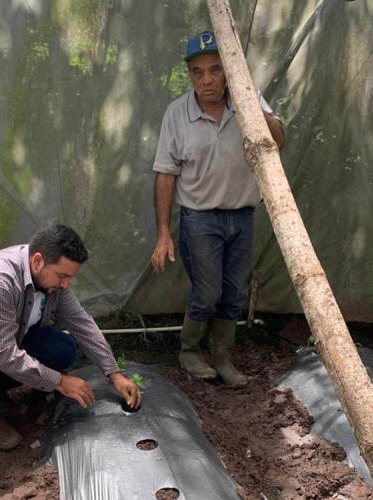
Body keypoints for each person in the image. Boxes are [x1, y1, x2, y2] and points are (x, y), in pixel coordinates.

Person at [0, 224, 141, 451]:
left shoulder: (52, 280)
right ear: (37, 261)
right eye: (62, 276)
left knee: (62, 348)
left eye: (70, 277)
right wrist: (59, 381)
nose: (66, 285)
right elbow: (2, 354)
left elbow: (81, 323)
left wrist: (114, 373)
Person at [150, 30, 286, 385]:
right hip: (199, 217)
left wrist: (254, 108)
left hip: (241, 215)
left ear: (229, 72)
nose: (207, 80)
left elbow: (278, 140)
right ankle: (189, 350)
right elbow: (165, 175)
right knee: (207, 291)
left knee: (235, 293)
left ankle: (223, 357)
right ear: (189, 75)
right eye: (197, 72)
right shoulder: (177, 114)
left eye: (215, 70)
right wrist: (163, 233)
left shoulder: (247, 101)